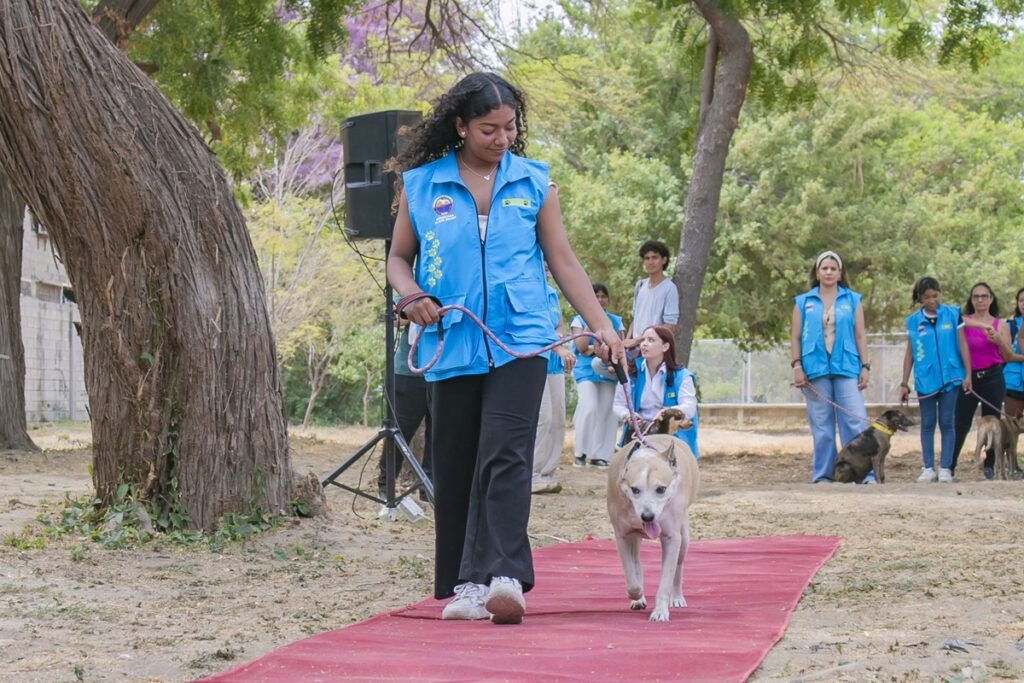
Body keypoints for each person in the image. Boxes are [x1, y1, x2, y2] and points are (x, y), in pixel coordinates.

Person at [386, 72, 625, 626]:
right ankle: (464, 584)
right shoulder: (422, 186)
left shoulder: (534, 183)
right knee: (457, 461)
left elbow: (563, 261)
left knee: (506, 453)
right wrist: (411, 294)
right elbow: (400, 257)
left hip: (522, 339)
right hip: (453, 339)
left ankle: (505, 577)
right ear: (460, 126)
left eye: (510, 127)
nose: (501, 138)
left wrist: (603, 327)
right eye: (489, 128)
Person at [790, 251, 871, 484]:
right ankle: (824, 475)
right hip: (814, 369)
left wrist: (865, 366)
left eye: (833, 269)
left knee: (854, 421)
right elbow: (795, 337)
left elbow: (860, 335)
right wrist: (797, 365)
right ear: (817, 272)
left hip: (847, 366)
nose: (828, 272)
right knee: (822, 426)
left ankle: (861, 473)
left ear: (840, 273)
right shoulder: (803, 302)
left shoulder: (852, 300)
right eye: (824, 268)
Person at [898, 277, 971, 484]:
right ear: (920, 298)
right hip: (925, 380)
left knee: (947, 422)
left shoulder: (952, 314)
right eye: (926, 297)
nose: (932, 300)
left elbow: (963, 345)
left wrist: (968, 374)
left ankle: (946, 467)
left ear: (940, 293)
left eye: (935, 296)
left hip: (951, 377)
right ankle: (928, 467)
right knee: (928, 423)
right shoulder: (913, 321)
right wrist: (904, 383)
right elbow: (909, 354)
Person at [952, 283, 1015, 480]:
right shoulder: (964, 322)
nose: (980, 300)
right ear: (971, 300)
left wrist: (999, 341)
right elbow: (958, 326)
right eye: (976, 296)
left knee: (993, 422)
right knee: (960, 422)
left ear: (991, 299)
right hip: (969, 378)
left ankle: (990, 465)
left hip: (993, 377)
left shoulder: (1001, 324)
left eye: (984, 296)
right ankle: (950, 464)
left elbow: (1008, 356)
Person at [612, 325, 699, 458]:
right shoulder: (630, 373)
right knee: (626, 471)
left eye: (651, 340)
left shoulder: (683, 376)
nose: (644, 344)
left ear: (665, 347)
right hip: (639, 432)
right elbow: (618, 404)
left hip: (670, 433)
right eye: (643, 340)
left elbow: (689, 407)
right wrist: (628, 415)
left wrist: (666, 413)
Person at [377, 319, 434, 503]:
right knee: (400, 432)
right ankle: (386, 487)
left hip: (447, 370)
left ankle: (429, 490)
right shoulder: (409, 289)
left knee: (439, 434)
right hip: (409, 372)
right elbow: (395, 319)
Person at [570, 283, 624, 469]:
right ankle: (581, 452)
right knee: (589, 406)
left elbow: (620, 346)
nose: (600, 300)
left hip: (608, 370)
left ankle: (601, 455)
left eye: (603, 296)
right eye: (596, 296)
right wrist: (589, 320)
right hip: (585, 371)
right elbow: (582, 348)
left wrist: (600, 350)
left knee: (608, 411)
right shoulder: (578, 320)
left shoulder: (616, 321)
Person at [531, 271, 576, 495]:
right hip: (535, 362)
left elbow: (557, 326)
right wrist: (558, 347)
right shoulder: (530, 293)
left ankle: (547, 473)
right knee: (543, 418)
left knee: (558, 419)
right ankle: (531, 474)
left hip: (555, 365)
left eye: (549, 267)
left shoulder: (551, 294)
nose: (547, 271)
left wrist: (560, 343)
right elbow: (537, 330)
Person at [624, 241, 679, 352]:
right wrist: (627, 342)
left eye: (654, 257)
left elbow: (670, 326)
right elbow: (635, 319)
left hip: (654, 350)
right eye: (647, 258)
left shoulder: (669, 288)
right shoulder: (640, 285)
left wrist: (639, 340)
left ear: (664, 260)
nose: (650, 262)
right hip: (635, 350)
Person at [1001, 288, 1024, 420]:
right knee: (1011, 427)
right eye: (1021, 300)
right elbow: (1005, 355)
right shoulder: (1010, 325)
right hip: (1012, 383)